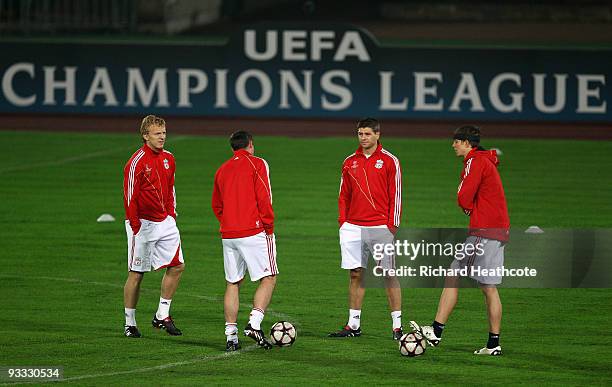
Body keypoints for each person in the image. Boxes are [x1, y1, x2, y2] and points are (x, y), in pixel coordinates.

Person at [410, 125, 510, 356]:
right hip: (498, 230)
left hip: (484, 230)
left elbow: (464, 196)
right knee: (489, 287)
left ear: (467, 143)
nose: (453, 145)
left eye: (456, 141)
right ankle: (494, 344)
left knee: (453, 273)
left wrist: (469, 210)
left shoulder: (474, 161)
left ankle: (436, 331)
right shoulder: (486, 161)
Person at [328, 118, 404, 340]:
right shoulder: (349, 161)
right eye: (360, 134)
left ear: (378, 135)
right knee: (356, 274)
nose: (363, 138)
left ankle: (397, 327)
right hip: (353, 227)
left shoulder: (390, 161)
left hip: (381, 227)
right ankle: (353, 325)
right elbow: (344, 195)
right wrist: (344, 222)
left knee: (388, 275)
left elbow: (395, 195)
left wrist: (392, 225)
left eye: (367, 134)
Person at [212, 130, 279, 351]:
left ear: (233, 148)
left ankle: (231, 336)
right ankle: (254, 323)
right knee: (269, 277)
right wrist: (268, 226)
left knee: (233, 282)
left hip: (229, 234)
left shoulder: (221, 169)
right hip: (254, 231)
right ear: (250, 144)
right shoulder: (258, 164)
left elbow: (217, 205)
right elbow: (264, 196)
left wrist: (229, 222)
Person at [122, 115, 185, 338]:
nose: (162, 138)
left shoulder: (169, 158)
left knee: (177, 266)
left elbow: (171, 188)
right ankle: (129, 322)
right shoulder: (136, 162)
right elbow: (130, 197)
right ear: (145, 135)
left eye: (164, 133)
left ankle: (162, 315)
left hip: (165, 222)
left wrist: (171, 214)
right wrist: (136, 226)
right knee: (137, 273)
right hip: (143, 225)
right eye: (157, 134)